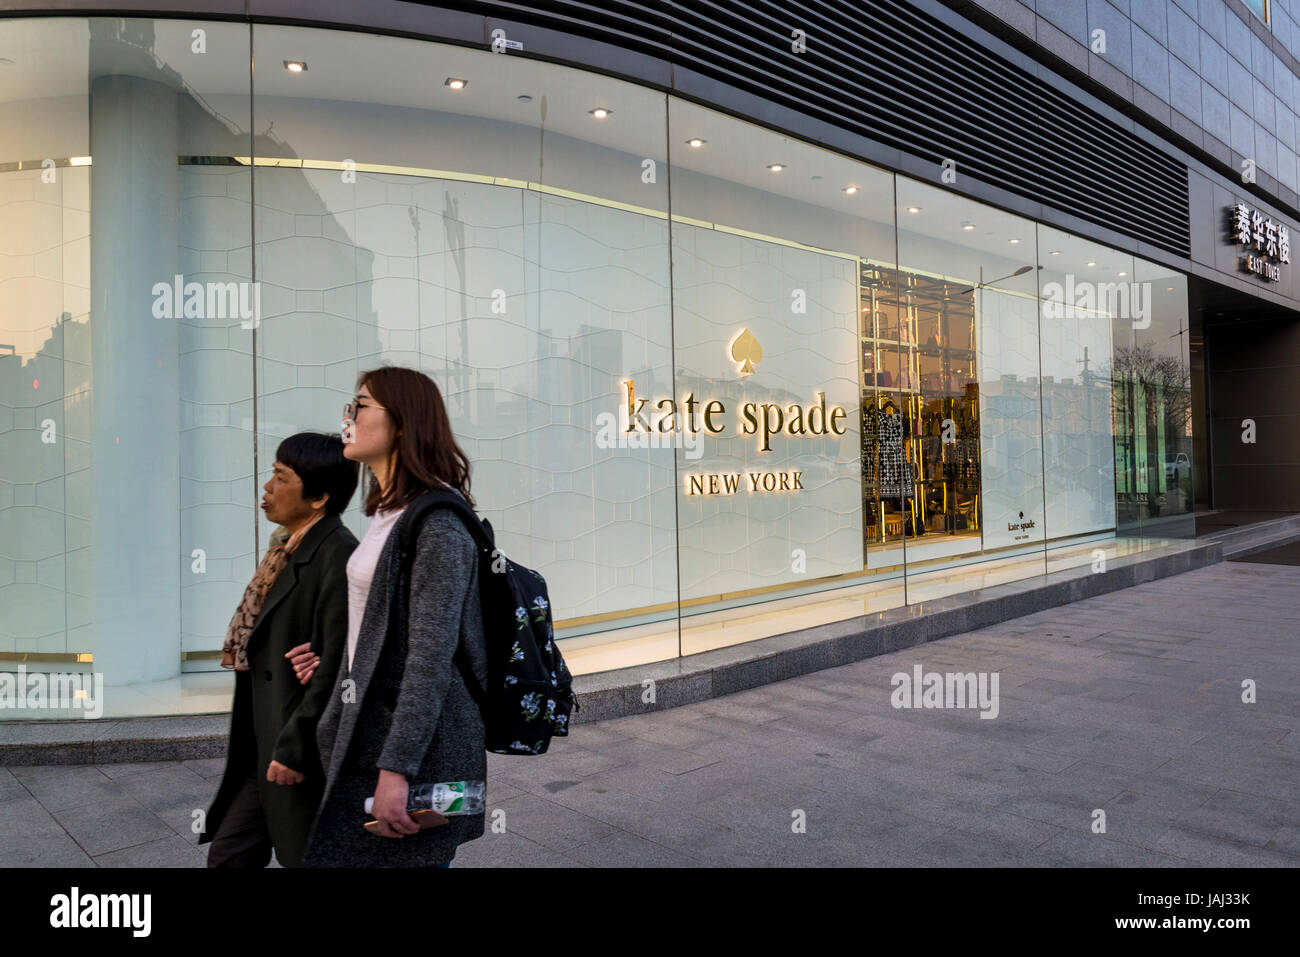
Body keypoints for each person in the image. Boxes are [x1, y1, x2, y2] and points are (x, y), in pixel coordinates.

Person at [301, 366, 488, 868]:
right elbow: (379, 629)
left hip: (411, 750)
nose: (347, 417)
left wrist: (396, 771)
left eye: (359, 405)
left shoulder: (439, 525)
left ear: (402, 424)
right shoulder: (388, 514)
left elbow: (429, 657)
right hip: (367, 731)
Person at [200, 432, 359, 867]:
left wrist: (295, 748)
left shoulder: (338, 554)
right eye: (272, 474)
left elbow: (334, 669)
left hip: (297, 745)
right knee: (230, 855)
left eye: (280, 477)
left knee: (304, 856)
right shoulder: (284, 549)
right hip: (266, 737)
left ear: (318, 497)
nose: (267, 488)